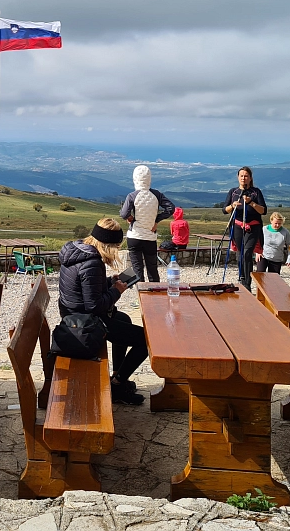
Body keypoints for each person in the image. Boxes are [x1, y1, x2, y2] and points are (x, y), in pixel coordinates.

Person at [58, 218, 148, 406]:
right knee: (144, 341)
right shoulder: (92, 262)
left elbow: (85, 289)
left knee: (123, 318)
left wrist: (109, 281)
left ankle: (117, 375)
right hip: (85, 324)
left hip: (74, 314)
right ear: (108, 245)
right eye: (116, 246)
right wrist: (117, 290)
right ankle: (117, 387)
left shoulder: (77, 251)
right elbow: (94, 306)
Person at [120, 165, 175, 285]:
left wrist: (130, 218)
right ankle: (155, 295)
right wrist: (156, 220)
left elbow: (124, 213)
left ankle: (141, 297)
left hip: (134, 236)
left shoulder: (132, 195)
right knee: (152, 268)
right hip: (150, 237)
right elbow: (171, 208)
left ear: (135, 178)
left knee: (137, 269)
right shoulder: (157, 194)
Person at [221, 166, 267, 290]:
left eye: (246, 176)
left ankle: (247, 283)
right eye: (241, 175)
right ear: (238, 177)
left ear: (250, 178)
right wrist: (233, 205)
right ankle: (241, 278)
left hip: (253, 227)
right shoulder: (233, 192)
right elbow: (224, 210)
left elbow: (263, 211)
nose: (243, 178)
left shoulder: (256, 192)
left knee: (247, 253)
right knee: (240, 253)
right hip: (237, 226)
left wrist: (251, 203)